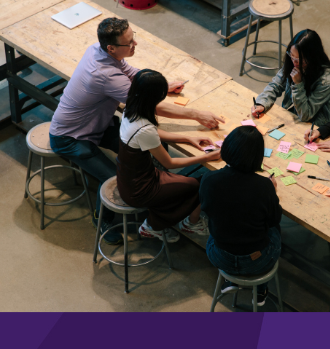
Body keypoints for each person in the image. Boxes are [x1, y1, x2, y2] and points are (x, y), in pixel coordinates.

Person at [49, 17, 225, 244]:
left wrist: (161, 86)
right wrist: (196, 114)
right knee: (113, 177)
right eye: (129, 42)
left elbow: (131, 73)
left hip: (97, 124)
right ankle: (102, 219)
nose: (135, 44)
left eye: (133, 38)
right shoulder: (105, 76)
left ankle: (159, 193)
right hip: (71, 137)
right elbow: (150, 106)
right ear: (111, 47)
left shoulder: (99, 50)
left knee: (139, 156)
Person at [116, 70, 223, 243]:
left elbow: (152, 133)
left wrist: (187, 138)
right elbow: (170, 162)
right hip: (140, 189)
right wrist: (206, 158)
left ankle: (172, 217)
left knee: (192, 184)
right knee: (203, 185)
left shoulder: (132, 106)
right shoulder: (143, 129)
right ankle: (156, 225)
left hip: (130, 177)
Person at [199, 126, 283, 307]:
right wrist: (272, 193)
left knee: (224, 223)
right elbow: (274, 220)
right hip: (257, 261)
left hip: (219, 255)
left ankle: (231, 280)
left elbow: (207, 210)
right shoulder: (264, 186)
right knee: (275, 229)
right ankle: (260, 290)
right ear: (257, 156)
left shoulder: (208, 179)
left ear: (227, 148)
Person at [251, 29, 330, 126]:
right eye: (291, 55)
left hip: (319, 122)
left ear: (312, 57)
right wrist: (261, 103)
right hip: (298, 110)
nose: (293, 61)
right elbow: (276, 84)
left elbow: (306, 115)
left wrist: (298, 84)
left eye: (298, 59)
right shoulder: (293, 62)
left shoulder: (327, 80)